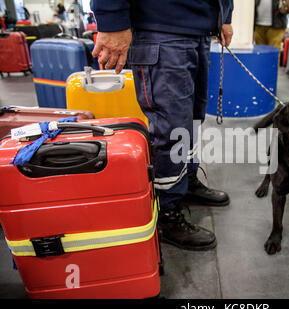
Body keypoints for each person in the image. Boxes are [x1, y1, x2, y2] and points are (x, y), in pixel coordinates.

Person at [91, 0, 234, 251]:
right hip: (160, 28)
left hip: (199, 31)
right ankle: (166, 213)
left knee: (191, 120)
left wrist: (224, 14)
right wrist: (112, 20)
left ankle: (185, 181)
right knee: (170, 130)